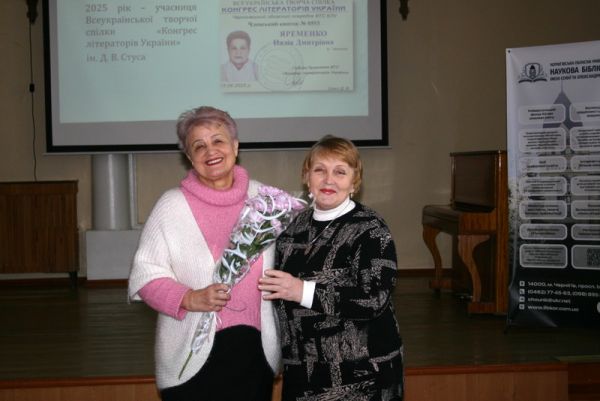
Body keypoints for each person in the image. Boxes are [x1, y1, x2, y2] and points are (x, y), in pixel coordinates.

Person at [128, 106, 280, 401]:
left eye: (218, 140)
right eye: (199, 145)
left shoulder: (265, 200)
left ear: (235, 146)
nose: (210, 151)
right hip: (192, 360)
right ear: (189, 157)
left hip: (255, 353)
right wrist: (189, 298)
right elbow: (145, 276)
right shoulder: (171, 206)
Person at [258, 135, 404, 400]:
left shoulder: (370, 229)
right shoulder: (291, 227)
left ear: (354, 181)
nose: (328, 180)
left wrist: (302, 291)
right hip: (303, 372)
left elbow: (374, 300)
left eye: (340, 172)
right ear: (306, 176)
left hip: (361, 376)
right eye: (320, 170)